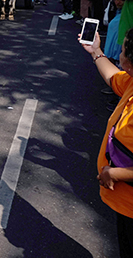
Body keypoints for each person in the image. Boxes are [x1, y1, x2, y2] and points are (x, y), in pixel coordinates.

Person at [81, 28, 133, 257]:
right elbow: (113, 78)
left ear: (129, 63)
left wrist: (114, 174)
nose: (119, 54)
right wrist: (96, 51)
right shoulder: (131, 83)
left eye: (122, 49)